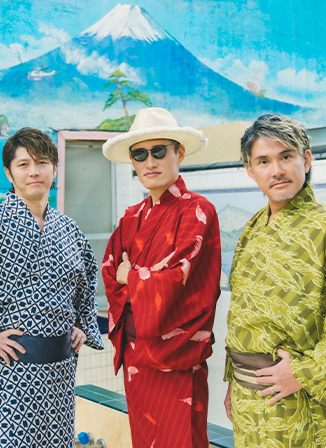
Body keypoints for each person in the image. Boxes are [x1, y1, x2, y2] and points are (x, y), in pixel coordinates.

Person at [0, 127, 103, 448]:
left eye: (42, 163)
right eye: (23, 164)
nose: (34, 171)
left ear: (55, 169)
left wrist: (81, 324)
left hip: (61, 369)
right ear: (9, 174)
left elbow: (87, 279)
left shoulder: (69, 229)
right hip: (13, 370)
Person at [224, 114, 326, 448]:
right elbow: (242, 312)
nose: (276, 170)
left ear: (305, 160)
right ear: (250, 170)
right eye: (264, 161)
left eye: (286, 156)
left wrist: (304, 373)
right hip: (245, 394)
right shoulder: (253, 227)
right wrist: (232, 380)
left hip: (290, 395)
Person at [101, 108, 222, 448]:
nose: (150, 162)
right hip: (137, 356)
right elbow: (109, 271)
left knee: (181, 439)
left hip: (176, 357)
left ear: (179, 153)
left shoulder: (198, 210)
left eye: (159, 151)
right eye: (140, 154)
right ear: (132, 161)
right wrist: (141, 277)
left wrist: (131, 276)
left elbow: (176, 279)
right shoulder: (131, 217)